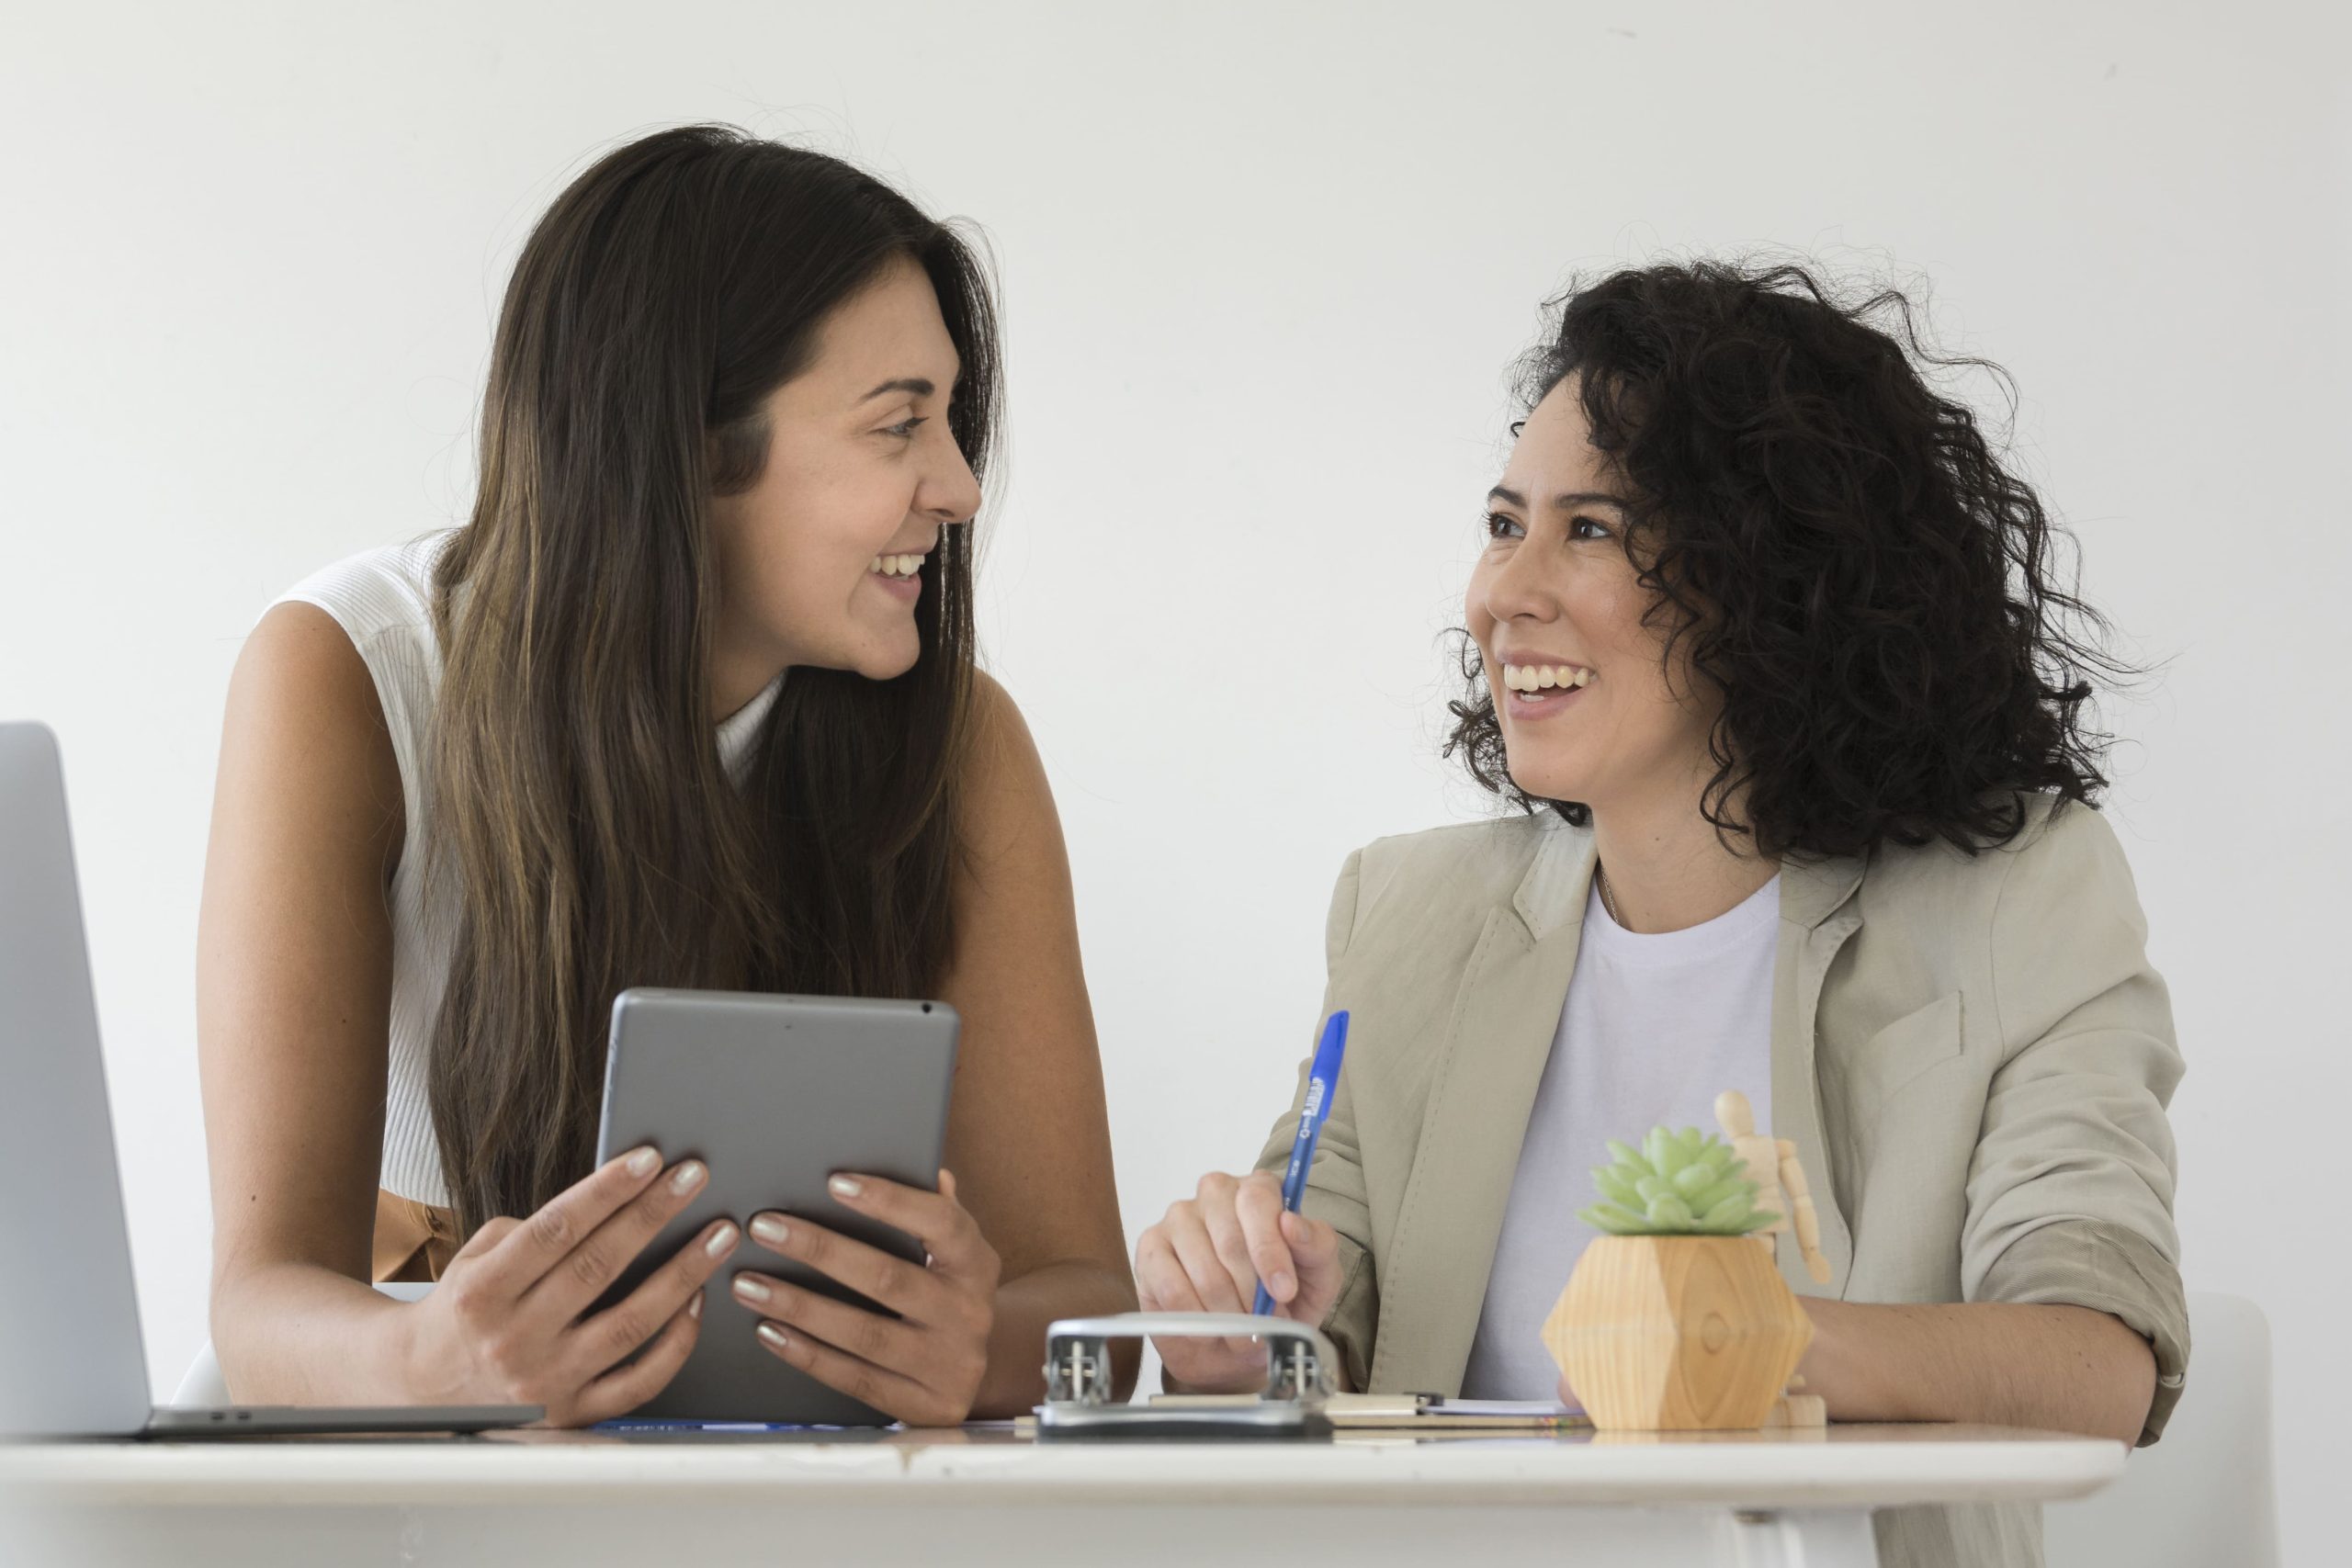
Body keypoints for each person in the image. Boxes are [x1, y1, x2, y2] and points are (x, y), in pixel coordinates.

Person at [1136, 263, 2187, 1566]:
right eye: (1503, 522)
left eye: (1590, 530)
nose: (1503, 594)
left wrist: (1751, 1337)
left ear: (1773, 576)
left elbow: (2099, 1364)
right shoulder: (1409, 917)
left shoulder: (2020, 900)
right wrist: (1234, 1341)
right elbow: (1319, 1341)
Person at [198, 125, 1136, 1427]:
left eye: (953, 420)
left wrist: (972, 1348)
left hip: (792, 1462)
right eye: (899, 426)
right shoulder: (350, 673)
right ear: (690, 446)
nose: (962, 486)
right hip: (409, 1438)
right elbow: (258, 1310)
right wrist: (436, 1361)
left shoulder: (958, 743)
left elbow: (1093, 1302)